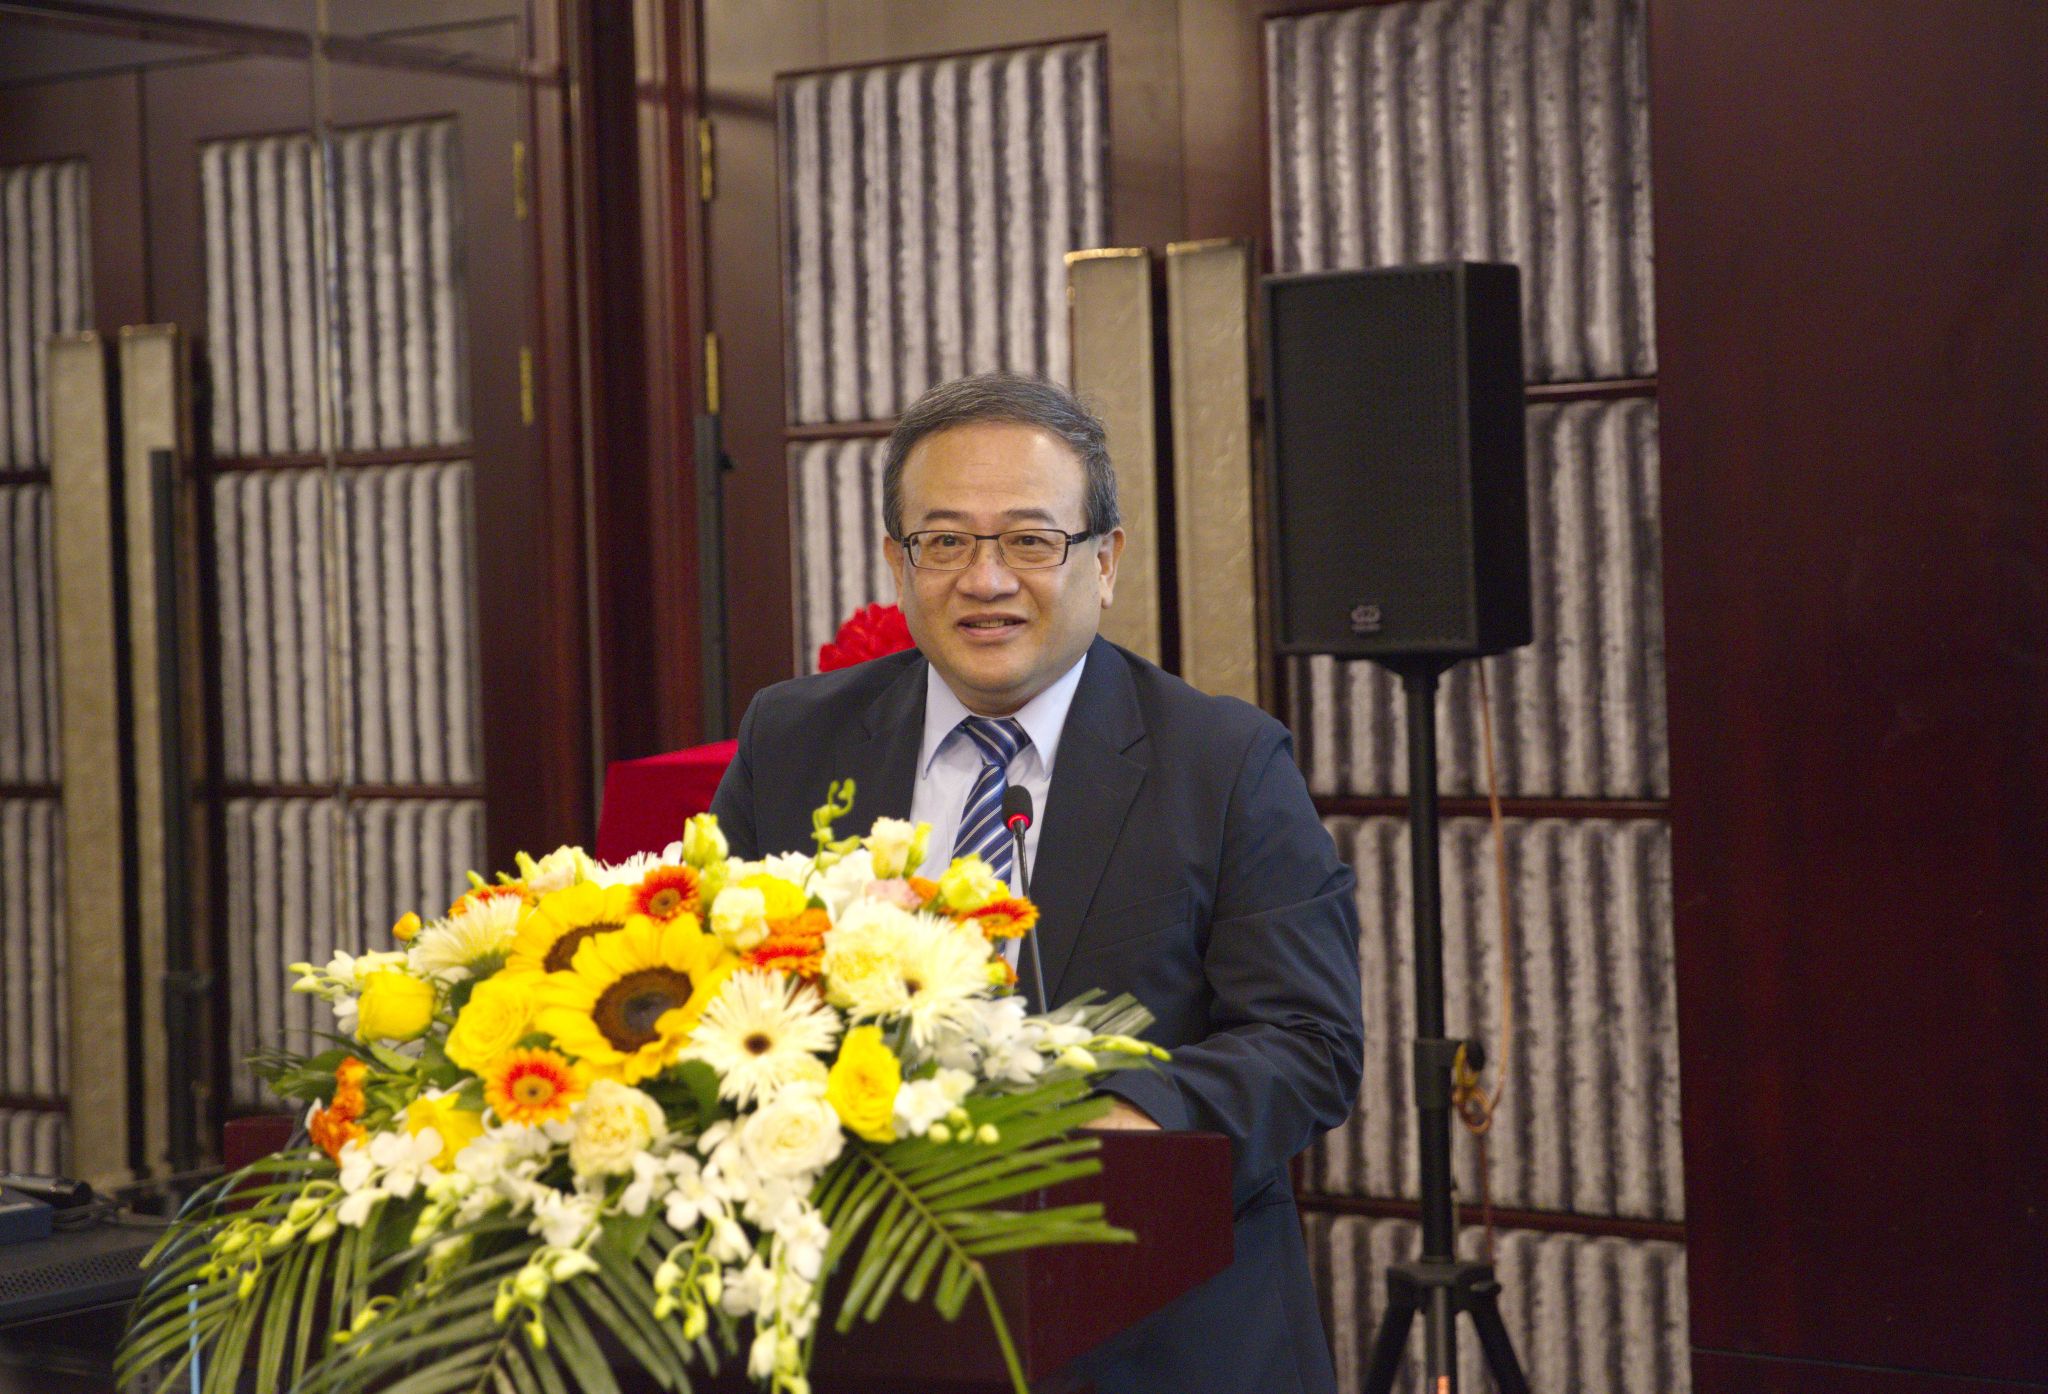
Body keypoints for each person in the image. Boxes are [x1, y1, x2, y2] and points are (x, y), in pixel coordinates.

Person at [710, 372, 1364, 1394]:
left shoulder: (1224, 762)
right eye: (944, 541)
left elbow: (1308, 1042)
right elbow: (723, 993)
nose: (985, 579)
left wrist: (1117, 1125)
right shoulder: (792, 739)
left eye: (1028, 539)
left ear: (1104, 560)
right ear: (897, 563)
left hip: (1156, 1336)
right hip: (866, 1323)